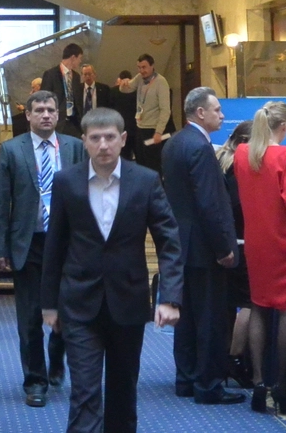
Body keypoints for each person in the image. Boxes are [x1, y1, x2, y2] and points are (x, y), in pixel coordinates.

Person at [41, 108, 182, 433]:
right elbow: (55, 244)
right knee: (84, 392)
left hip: (128, 301)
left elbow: (169, 240)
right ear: (84, 141)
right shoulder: (66, 181)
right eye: (95, 138)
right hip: (79, 302)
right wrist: (49, 303)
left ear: (123, 139)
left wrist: (170, 297)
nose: (103, 145)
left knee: (123, 392)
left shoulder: (145, 180)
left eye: (109, 137)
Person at [0, 90, 85, 408]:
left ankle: (56, 359)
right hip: (28, 242)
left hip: (67, 244)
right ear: (28, 115)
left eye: (51, 110)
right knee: (30, 317)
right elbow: (0, 201)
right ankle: (35, 381)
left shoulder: (74, 148)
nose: (46, 115)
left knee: (66, 312)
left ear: (58, 114)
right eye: (39, 110)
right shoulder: (11, 150)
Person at [162, 88, 244, 405]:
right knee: (210, 319)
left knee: (187, 318)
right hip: (205, 247)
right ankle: (209, 384)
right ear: (200, 113)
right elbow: (210, 204)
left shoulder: (175, 143)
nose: (222, 115)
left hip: (181, 244)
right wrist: (224, 247)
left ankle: (186, 379)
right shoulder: (200, 147)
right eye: (217, 110)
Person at [233, 101, 286, 415]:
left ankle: (259, 383)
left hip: (256, 241)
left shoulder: (242, 153)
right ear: (285, 127)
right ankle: (283, 386)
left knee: (259, 306)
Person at [216, 121, 255, 388]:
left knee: (230, 303)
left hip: (228, 242)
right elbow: (238, 206)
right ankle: (235, 357)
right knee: (250, 302)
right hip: (240, 242)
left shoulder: (221, 160)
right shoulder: (238, 169)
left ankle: (225, 358)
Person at [118, 55, 171, 171]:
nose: (141, 70)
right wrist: (123, 83)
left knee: (152, 164)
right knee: (141, 162)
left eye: (144, 67)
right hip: (140, 127)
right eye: (139, 67)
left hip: (153, 129)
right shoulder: (139, 78)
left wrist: (159, 131)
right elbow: (125, 90)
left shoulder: (161, 82)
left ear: (152, 66)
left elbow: (165, 110)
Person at [43, 43, 84, 134]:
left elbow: (78, 101)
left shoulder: (76, 76)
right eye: (79, 58)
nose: (80, 61)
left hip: (74, 123)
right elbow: (44, 99)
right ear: (73, 57)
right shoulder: (51, 74)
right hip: (57, 123)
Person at [72, 64, 111, 130]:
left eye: (90, 74)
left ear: (94, 75)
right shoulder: (76, 89)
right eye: (85, 74)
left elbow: (108, 107)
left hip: (99, 125)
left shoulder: (104, 89)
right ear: (82, 76)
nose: (88, 77)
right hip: (81, 126)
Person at [112, 71, 138, 161]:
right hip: (135, 128)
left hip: (120, 129)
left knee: (124, 157)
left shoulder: (113, 91)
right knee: (140, 157)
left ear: (119, 79)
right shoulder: (137, 91)